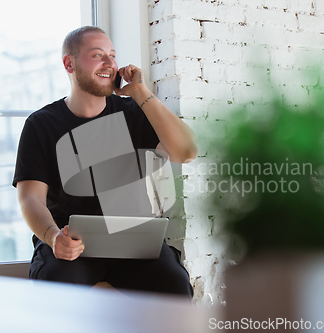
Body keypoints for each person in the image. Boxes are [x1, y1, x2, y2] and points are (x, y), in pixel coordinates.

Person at [12, 26, 197, 298]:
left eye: (112, 55)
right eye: (98, 55)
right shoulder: (41, 124)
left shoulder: (135, 113)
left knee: (174, 283)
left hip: (135, 241)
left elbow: (187, 152)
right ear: (69, 63)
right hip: (71, 243)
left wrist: (141, 93)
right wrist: (53, 238)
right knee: (56, 283)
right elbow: (30, 199)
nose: (110, 64)